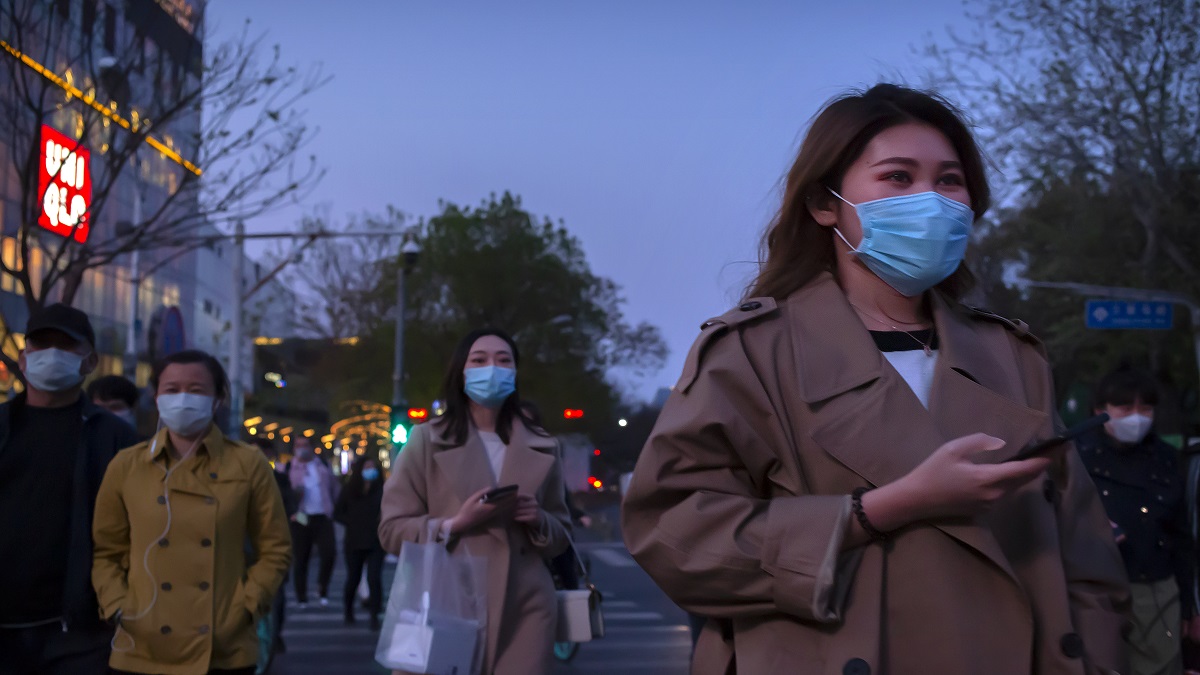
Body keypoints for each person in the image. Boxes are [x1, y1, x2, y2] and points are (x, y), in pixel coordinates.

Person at [620, 84, 1129, 675]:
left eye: (948, 181)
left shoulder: (1011, 356)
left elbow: (1087, 559)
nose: (930, 201)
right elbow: (673, 535)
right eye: (897, 177)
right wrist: (878, 510)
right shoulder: (752, 353)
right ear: (824, 203)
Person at [379, 328, 572, 674]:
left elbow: (562, 533)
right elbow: (391, 529)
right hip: (445, 603)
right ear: (461, 371)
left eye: (504, 360)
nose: (492, 369)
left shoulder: (543, 445)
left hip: (525, 607)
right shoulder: (427, 440)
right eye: (479, 360)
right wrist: (454, 524)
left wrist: (539, 519)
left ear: (515, 372)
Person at [92, 349, 292, 675]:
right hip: (141, 645)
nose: (183, 398)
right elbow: (107, 550)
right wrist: (119, 609)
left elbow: (275, 547)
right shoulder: (128, 465)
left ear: (217, 400)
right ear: (155, 396)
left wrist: (246, 608)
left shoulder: (247, 462)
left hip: (223, 648)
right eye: (171, 389)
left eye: (196, 390)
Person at [0, 303, 138, 675]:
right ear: (24, 357)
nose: (51, 356)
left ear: (90, 362)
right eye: (40, 345)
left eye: (65, 347)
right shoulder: (3, 425)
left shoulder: (116, 438)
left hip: (80, 632)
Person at [1077, 366, 1192, 675]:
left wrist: (1189, 605)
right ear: (1101, 410)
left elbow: (1181, 536)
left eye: (1146, 408)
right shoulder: (1077, 457)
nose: (1137, 417)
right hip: (1097, 592)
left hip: (1158, 591)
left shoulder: (1167, 458)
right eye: (1126, 408)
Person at [253, 438, 296, 657]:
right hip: (246, 553)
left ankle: (274, 635)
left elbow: (288, 509)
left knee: (276, 598)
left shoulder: (279, 480)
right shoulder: (235, 479)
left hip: (272, 549)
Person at [334, 455, 386, 630]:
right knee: (353, 578)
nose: (370, 471)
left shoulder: (382, 491)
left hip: (375, 541)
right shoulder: (350, 490)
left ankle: (374, 615)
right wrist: (353, 521)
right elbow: (337, 513)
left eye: (373, 467)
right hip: (354, 541)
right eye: (366, 467)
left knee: (374, 578)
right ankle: (348, 611)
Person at [287, 435, 338, 608]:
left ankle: (322, 588)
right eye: (298, 445)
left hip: (322, 515)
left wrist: (334, 508)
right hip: (301, 517)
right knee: (301, 558)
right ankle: (301, 597)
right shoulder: (289, 467)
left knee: (329, 554)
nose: (302, 448)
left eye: (305, 445)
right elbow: (285, 494)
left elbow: (334, 488)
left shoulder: (322, 465)